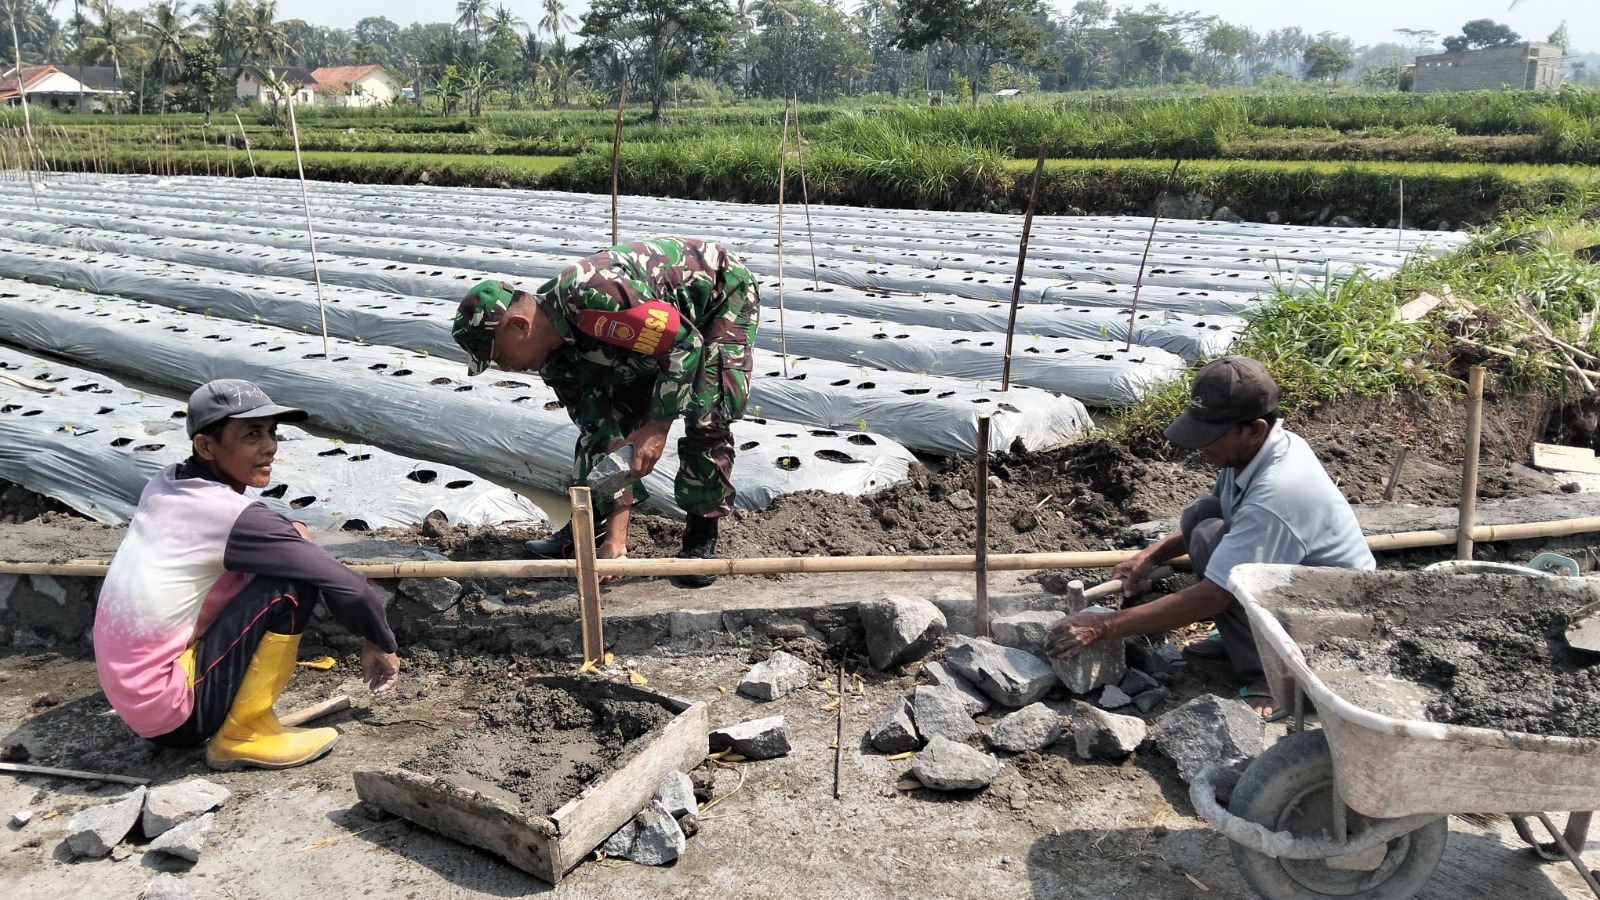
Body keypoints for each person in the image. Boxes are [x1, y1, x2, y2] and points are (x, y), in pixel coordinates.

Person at [94, 379, 401, 770]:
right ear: (205, 446)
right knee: (294, 584)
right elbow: (348, 586)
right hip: (175, 713)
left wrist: (291, 535)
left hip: (136, 696)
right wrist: (381, 641)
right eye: (252, 434)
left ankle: (232, 718)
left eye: (272, 432)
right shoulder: (227, 516)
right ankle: (243, 734)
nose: (269, 445)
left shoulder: (167, 484)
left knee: (293, 549)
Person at [1045, 356, 1374, 719]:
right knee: (1202, 516)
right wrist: (1151, 555)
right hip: (1299, 590)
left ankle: (1273, 676)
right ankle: (1245, 637)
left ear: (1255, 429)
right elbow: (1221, 509)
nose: (1201, 447)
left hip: (1332, 622)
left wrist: (1102, 626)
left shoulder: (1279, 490)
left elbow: (1213, 596)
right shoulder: (1258, 453)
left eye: (1211, 437)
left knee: (1218, 558)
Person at [452, 237, 759, 588]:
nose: (502, 367)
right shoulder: (554, 360)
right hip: (662, 331)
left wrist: (657, 427)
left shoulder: (594, 297)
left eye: (496, 355)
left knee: (706, 409)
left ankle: (701, 535)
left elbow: (685, 343)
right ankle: (590, 527)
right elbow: (601, 428)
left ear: (519, 326)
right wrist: (615, 541)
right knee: (604, 422)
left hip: (716, 298)